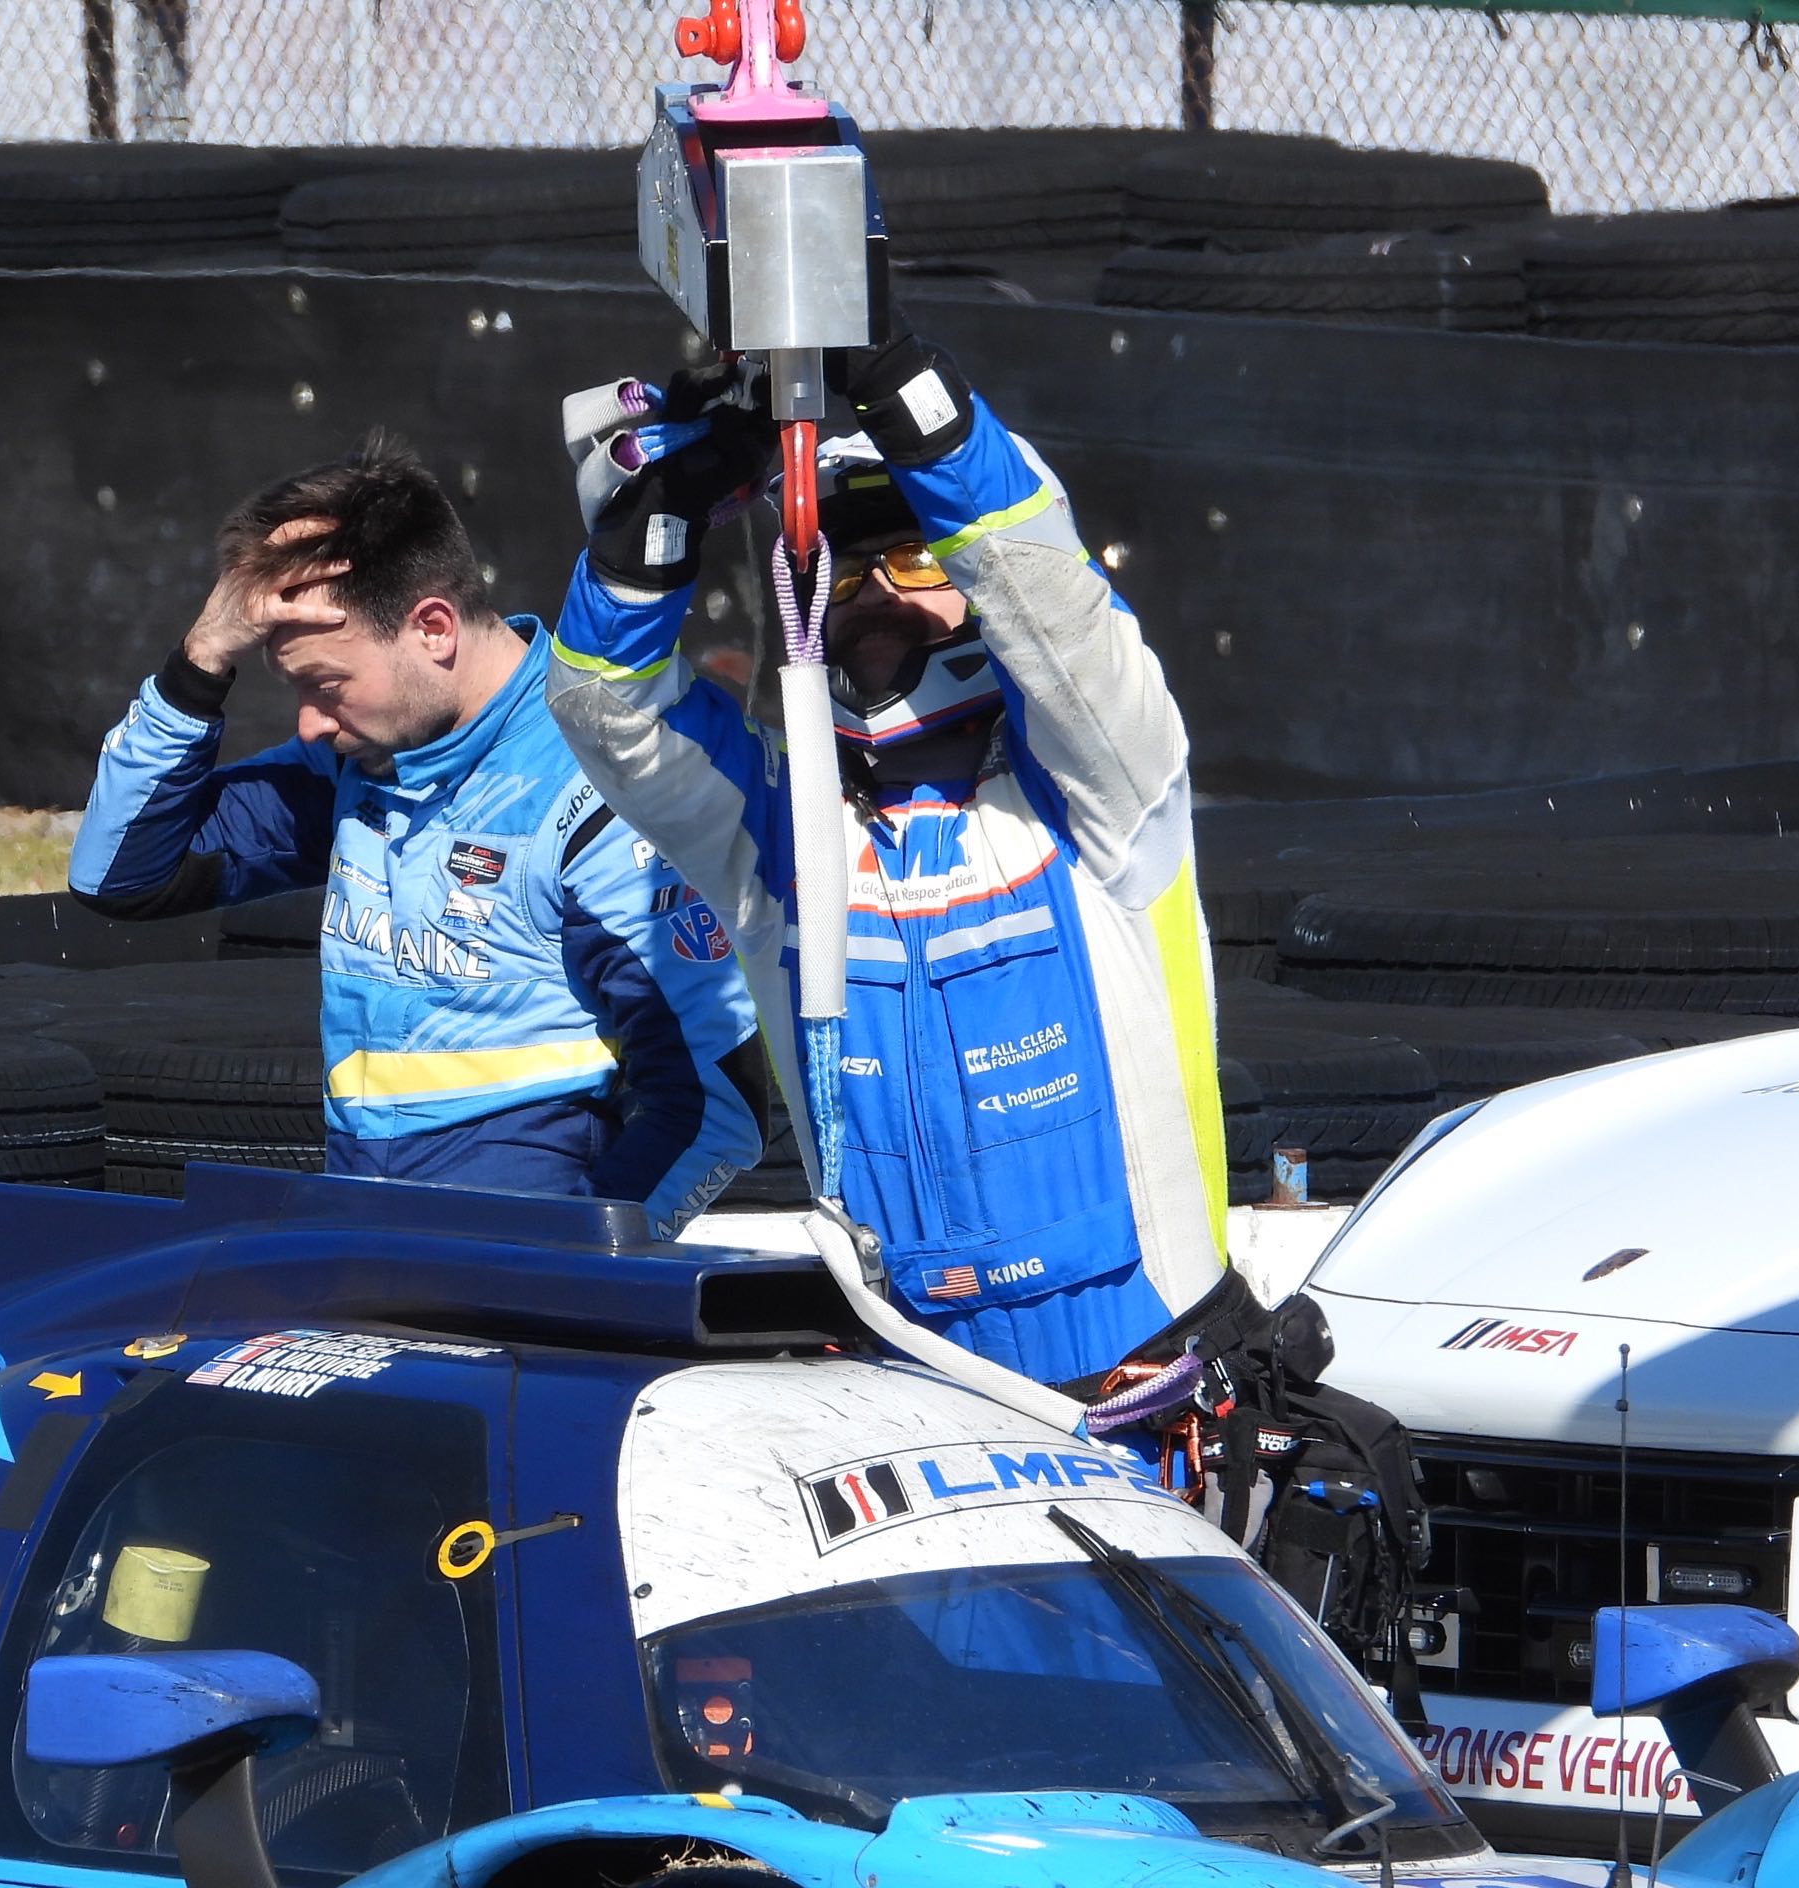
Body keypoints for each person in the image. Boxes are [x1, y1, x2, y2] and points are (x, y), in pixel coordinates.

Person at [543, 338, 1245, 1407]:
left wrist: (895, 369)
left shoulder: (1106, 792)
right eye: (844, 564)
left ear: (974, 578)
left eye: (916, 556)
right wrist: (667, 512)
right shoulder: (782, 839)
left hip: (1151, 1390)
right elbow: (607, 708)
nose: (874, 587)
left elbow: (1056, 608)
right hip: (913, 1399)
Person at [70, 434, 767, 1235]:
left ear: (433, 628)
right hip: (362, 1237)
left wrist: (578, 1270)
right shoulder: (361, 758)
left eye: (325, 685)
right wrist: (199, 662)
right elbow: (120, 877)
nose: (308, 720)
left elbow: (720, 1101)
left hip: (519, 1288)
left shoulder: (598, 781)